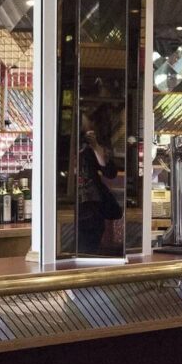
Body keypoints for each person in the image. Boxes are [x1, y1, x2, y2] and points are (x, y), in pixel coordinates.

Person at [77, 104, 121, 253]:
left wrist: (95, 146)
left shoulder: (92, 148)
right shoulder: (61, 146)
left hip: (91, 210)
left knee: (90, 248)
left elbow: (110, 172)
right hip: (70, 206)